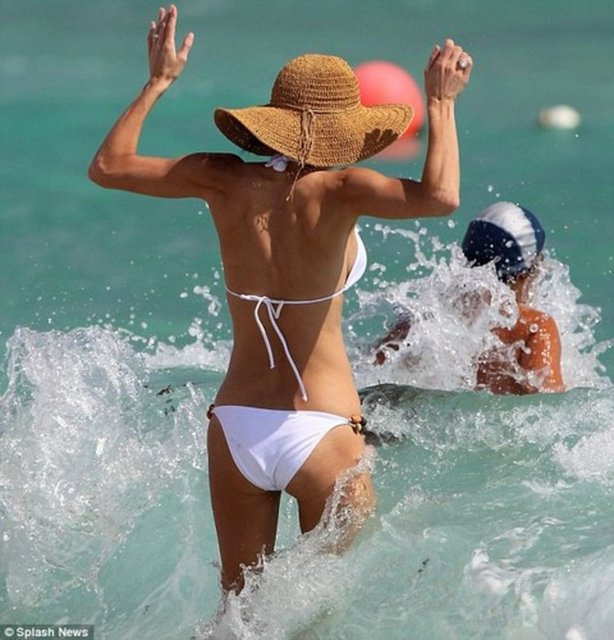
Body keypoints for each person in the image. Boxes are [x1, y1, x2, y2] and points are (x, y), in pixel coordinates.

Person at [88, 4, 472, 593]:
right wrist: (441, 103)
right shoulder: (342, 189)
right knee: (314, 614)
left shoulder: (223, 179)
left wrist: (157, 82)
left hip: (235, 424)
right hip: (322, 427)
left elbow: (109, 167)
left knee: (237, 614)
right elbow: (441, 196)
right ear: (346, 130)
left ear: (272, 121)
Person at [373, 201, 565, 394]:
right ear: (526, 273)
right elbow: (550, 403)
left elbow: (370, 374)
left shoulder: (425, 320)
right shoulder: (534, 327)